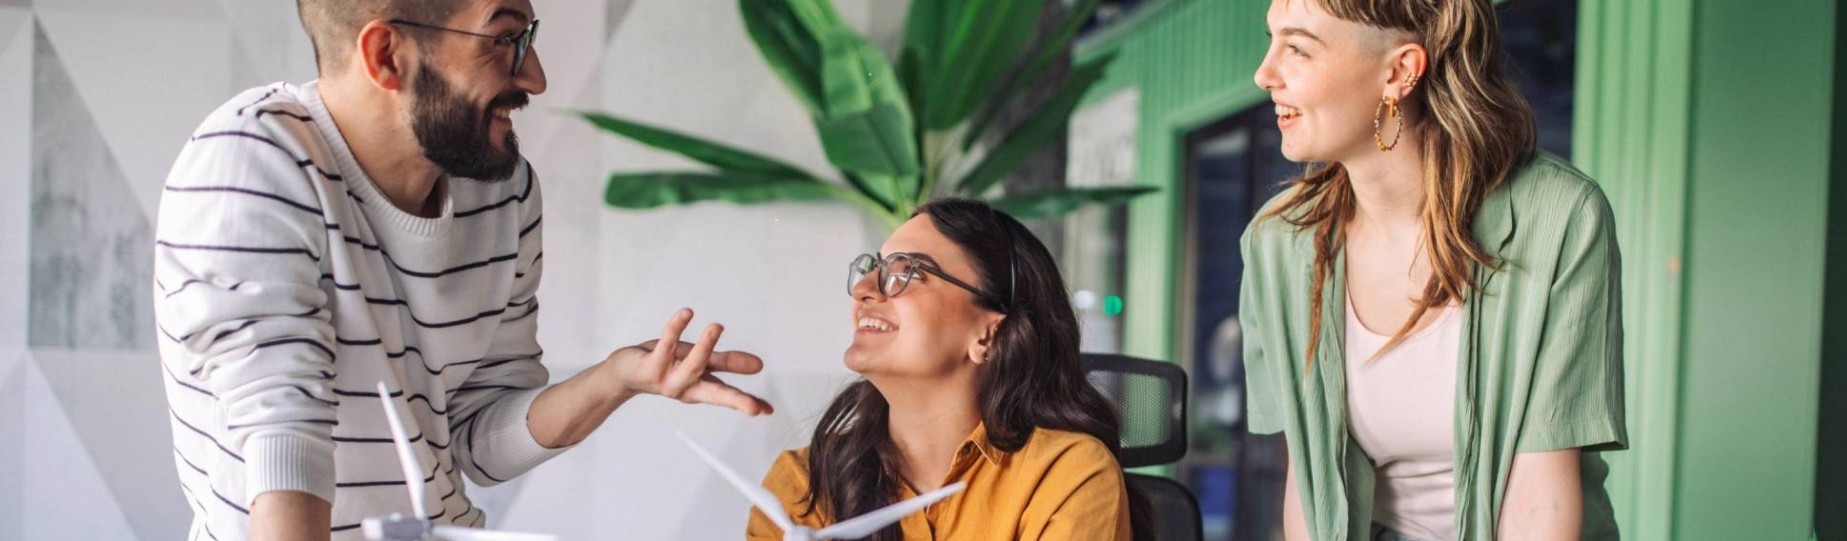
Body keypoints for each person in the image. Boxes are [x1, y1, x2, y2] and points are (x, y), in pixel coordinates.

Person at [154, 1, 770, 539]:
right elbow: (280, 435)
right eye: (505, 39)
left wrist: (616, 379)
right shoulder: (252, 162)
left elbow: (476, 441)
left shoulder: (500, 190)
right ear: (387, 54)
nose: (535, 76)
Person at [1238, 1, 1627, 539]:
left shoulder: (1559, 217)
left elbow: (1541, 505)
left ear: (1399, 72)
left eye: (1298, 49)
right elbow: (1310, 486)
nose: (1265, 73)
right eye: (1271, 40)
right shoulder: (1278, 242)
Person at [748, 198, 1137, 541]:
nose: (864, 287)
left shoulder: (1065, 474)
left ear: (988, 334)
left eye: (906, 272)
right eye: (874, 268)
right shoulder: (801, 484)